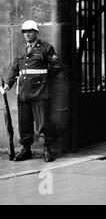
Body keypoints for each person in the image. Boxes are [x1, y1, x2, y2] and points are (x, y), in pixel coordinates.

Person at [0, 20, 62, 162]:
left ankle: (47, 149)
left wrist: (45, 78)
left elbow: (57, 65)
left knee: (43, 123)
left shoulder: (46, 47)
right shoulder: (21, 49)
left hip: (40, 92)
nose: (27, 34)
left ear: (36, 32)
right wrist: (8, 85)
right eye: (25, 32)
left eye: (30, 31)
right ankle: (26, 150)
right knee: (25, 124)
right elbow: (15, 69)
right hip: (23, 93)